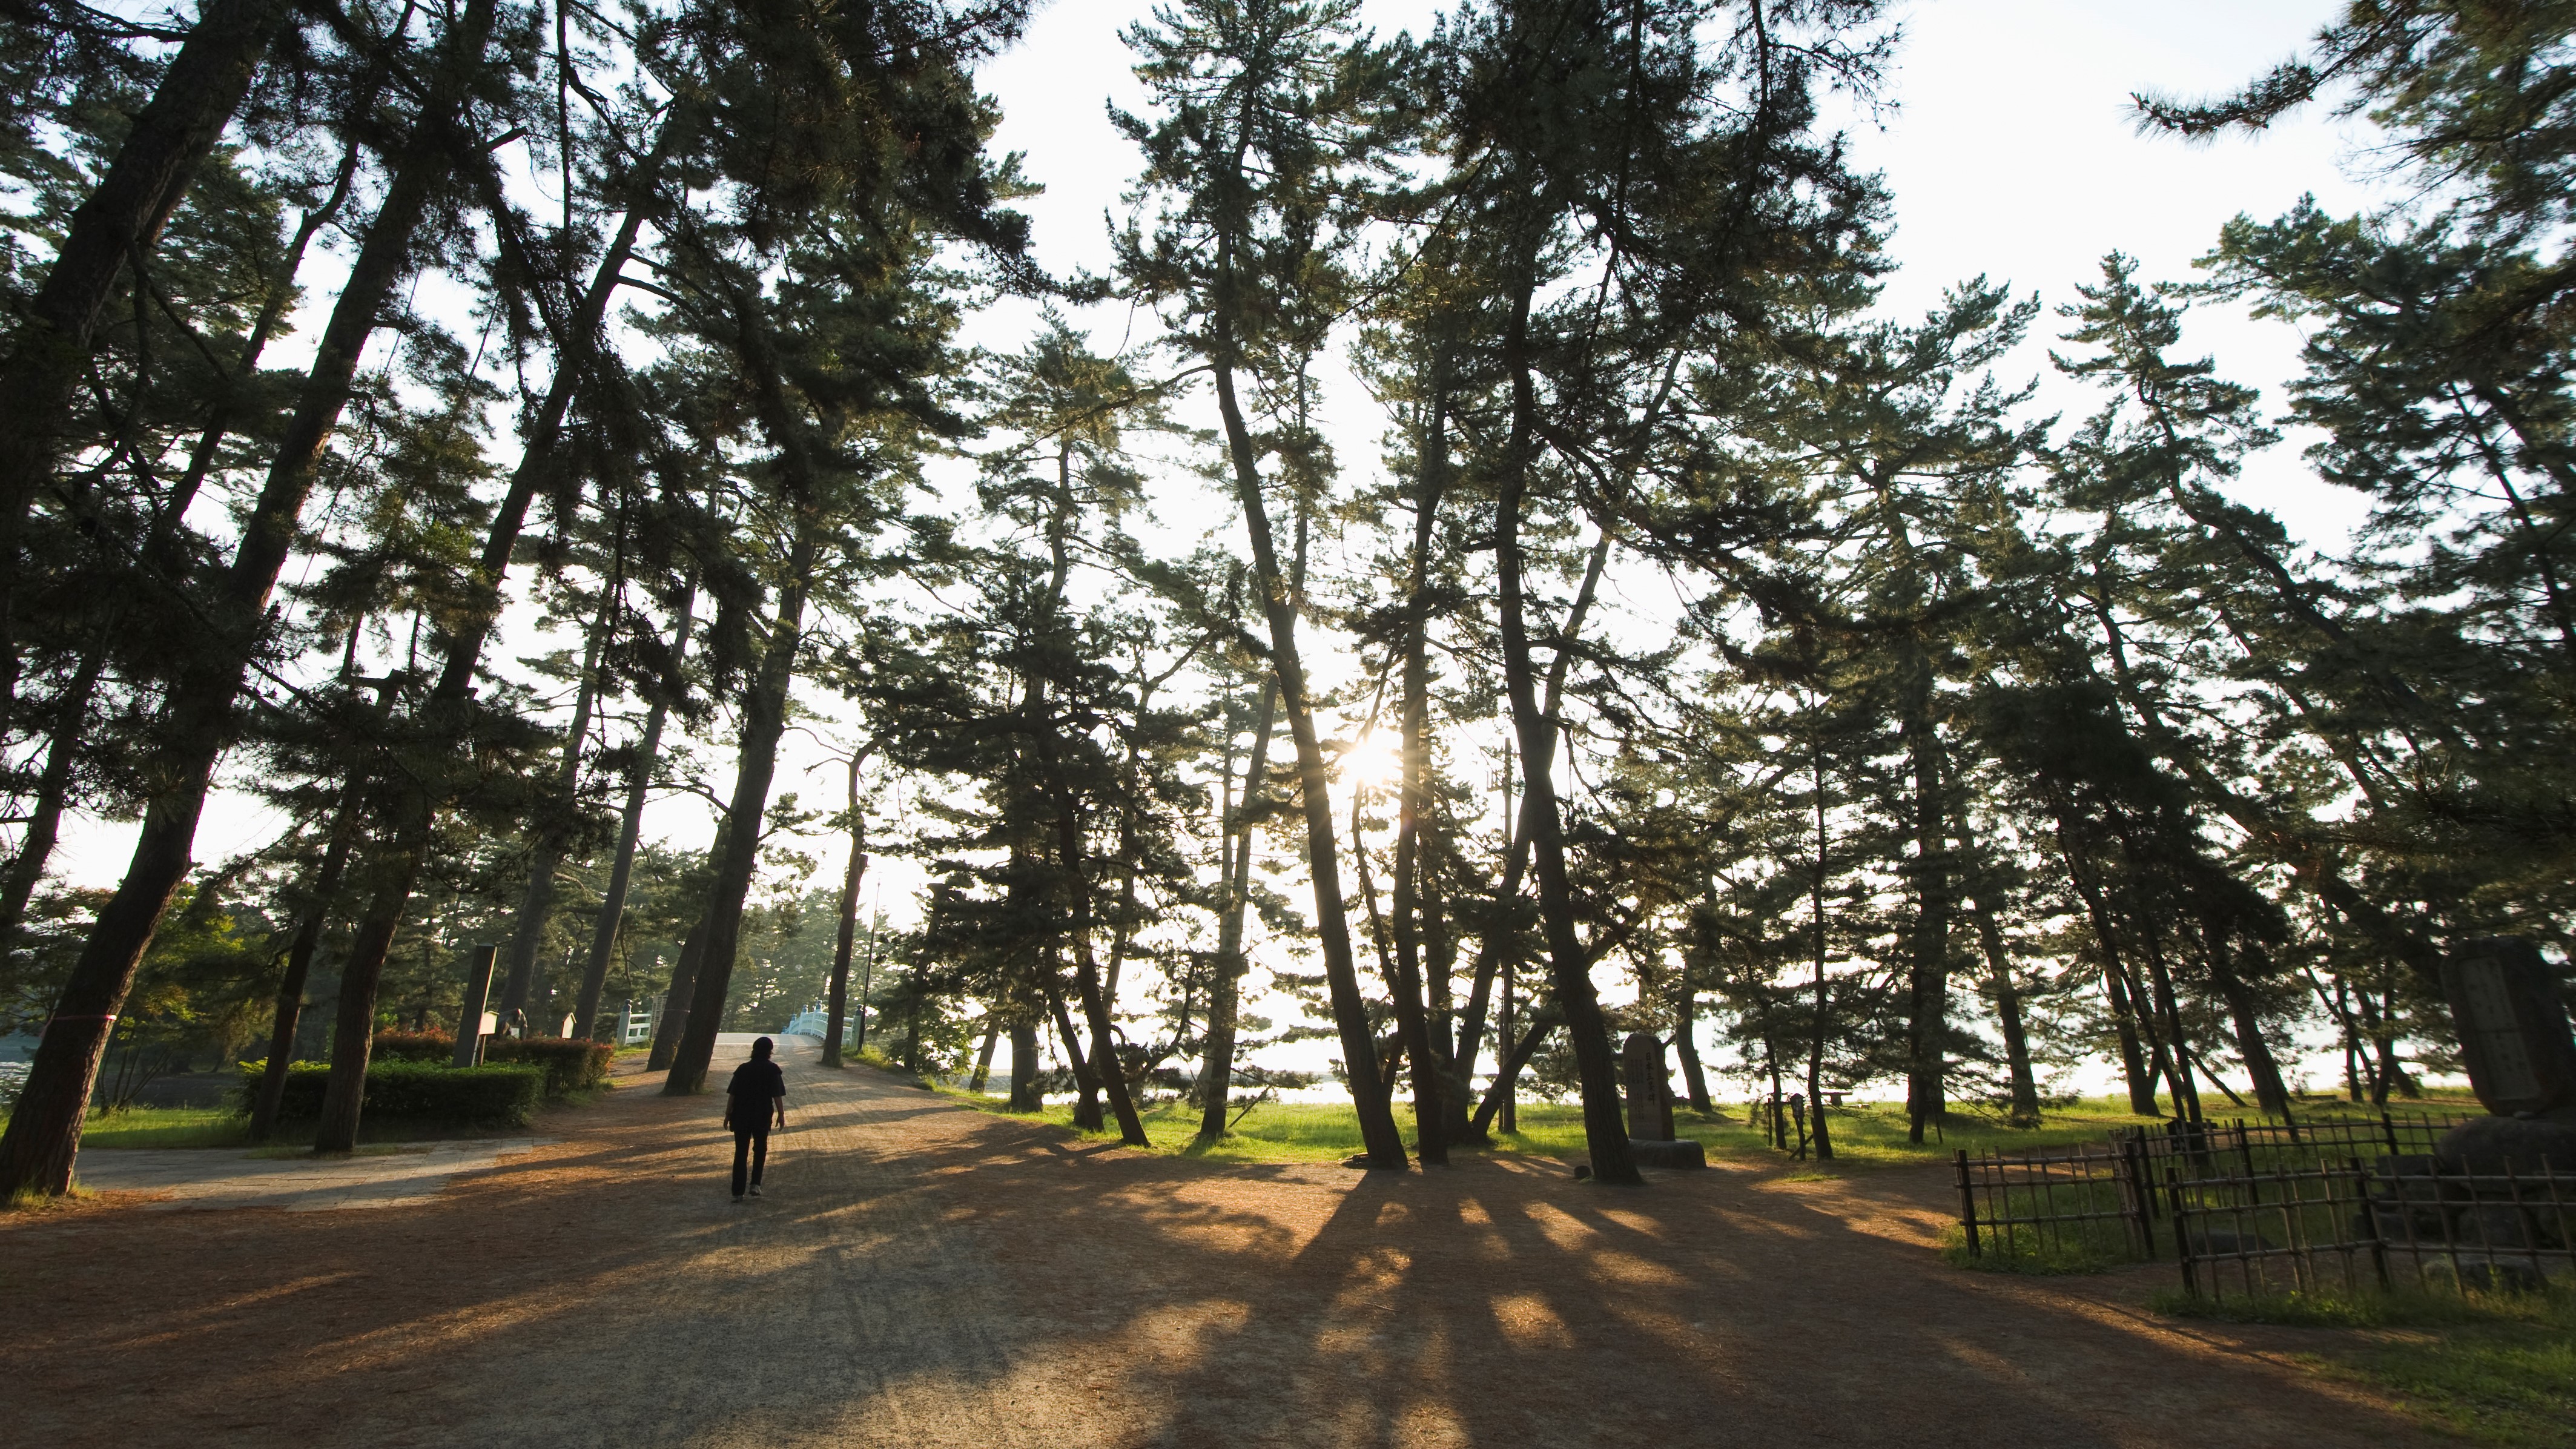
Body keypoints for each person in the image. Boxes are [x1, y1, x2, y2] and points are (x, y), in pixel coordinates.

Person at [723, 1037, 788, 1201]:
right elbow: (777, 1095)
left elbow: (733, 1094)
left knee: (741, 1153)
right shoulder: (773, 1070)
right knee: (760, 1150)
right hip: (762, 1114)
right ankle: (755, 1185)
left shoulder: (743, 1069)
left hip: (741, 1114)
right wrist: (781, 1114)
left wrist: (728, 1115)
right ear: (770, 1052)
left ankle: (738, 1193)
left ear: (753, 1051)